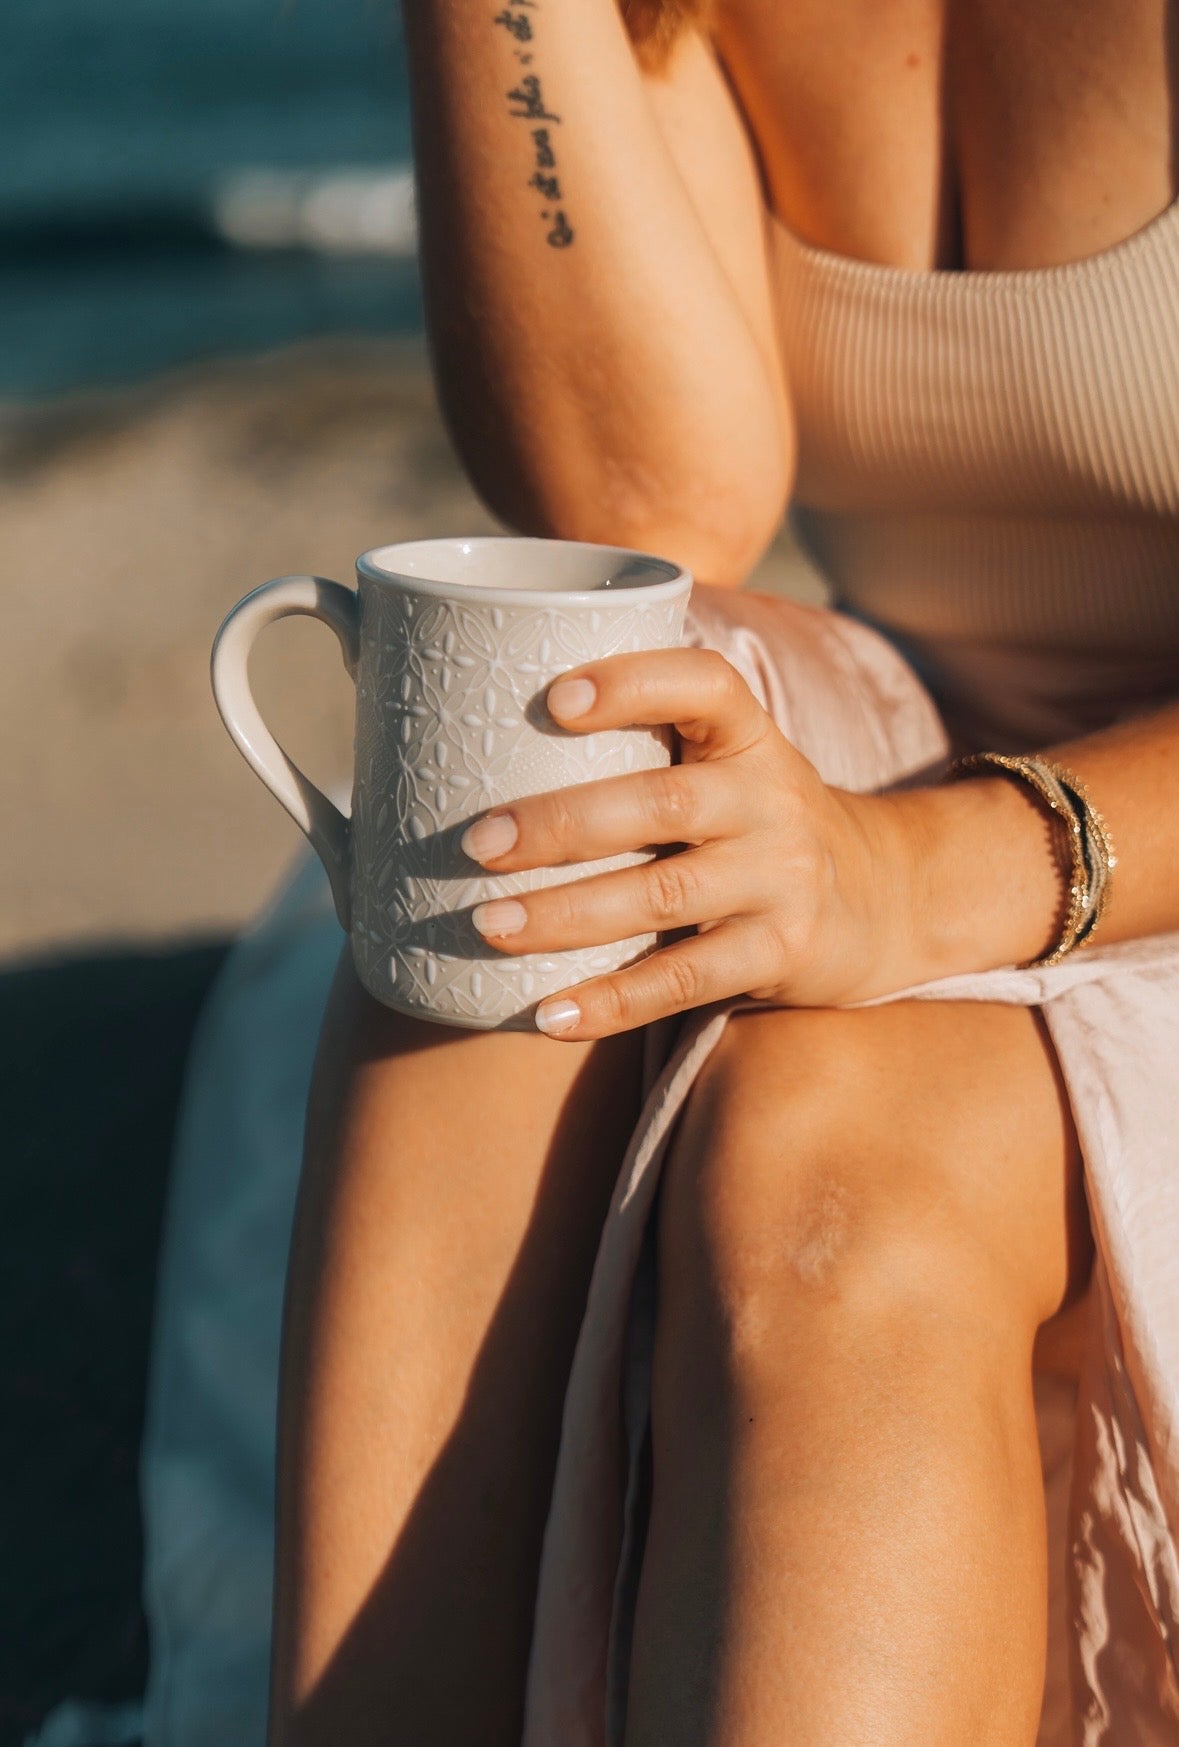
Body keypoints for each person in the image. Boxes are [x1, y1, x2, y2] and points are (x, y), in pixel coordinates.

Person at [265, 3, 1179, 1742]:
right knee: (522, 804)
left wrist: (921, 872)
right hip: (923, 757)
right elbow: (644, 500)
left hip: (1095, 846)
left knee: (834, 1150)